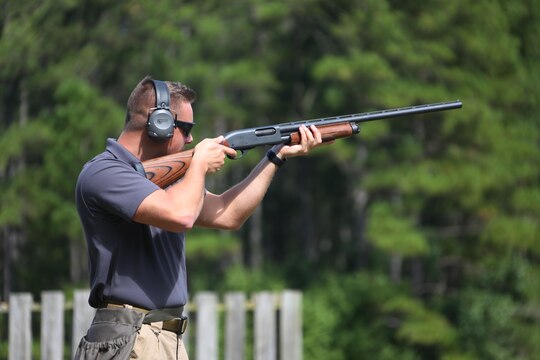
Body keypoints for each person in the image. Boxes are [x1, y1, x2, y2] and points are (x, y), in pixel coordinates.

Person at [74, 76, 323, 360]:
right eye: (186, 128)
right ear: (160, 123)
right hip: (132, 337)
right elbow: (180, 215)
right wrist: (200, 163)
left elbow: (229, 215)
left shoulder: (164, 182)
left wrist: (275, 157)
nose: (192, 138)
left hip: (162, 336)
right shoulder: (104, 173)